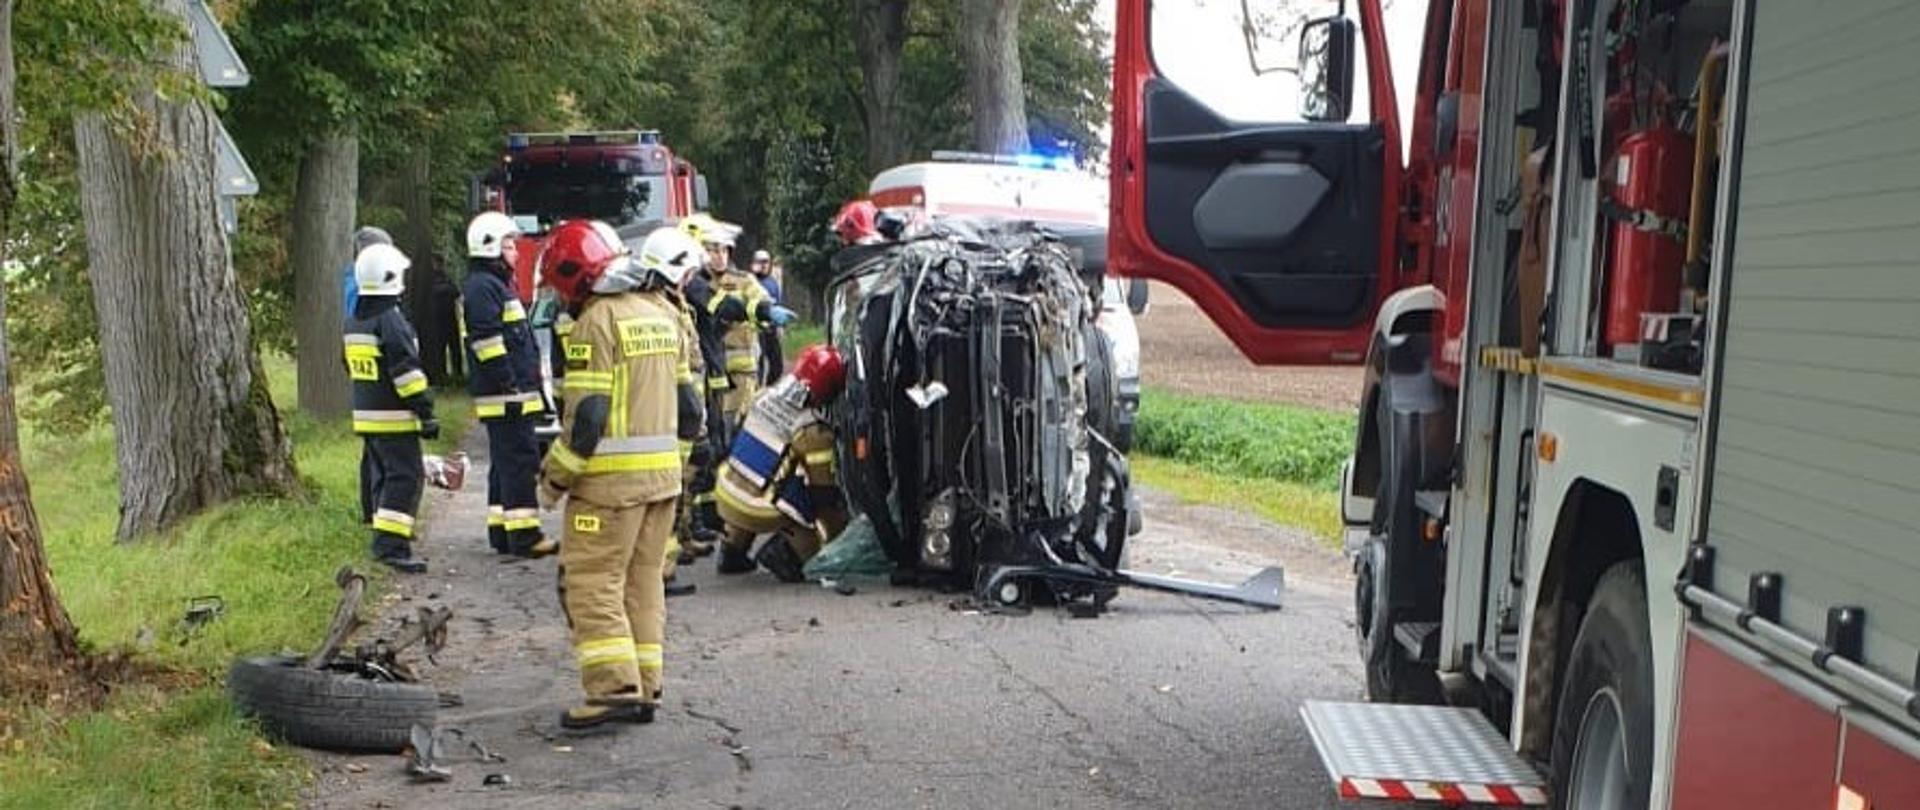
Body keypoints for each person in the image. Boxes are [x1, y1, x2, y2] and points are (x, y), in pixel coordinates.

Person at [536, 219, 696, 729]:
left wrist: (554, 480)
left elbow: (587, 420)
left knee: (592, 581)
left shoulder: (595, 323)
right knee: (643, 582)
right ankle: (645, 686)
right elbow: (692, 410)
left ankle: (611, 689)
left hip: (608, 489)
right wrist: (674, 464)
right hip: (662, 485)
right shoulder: (660, 312)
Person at [714, 344, 851, 579]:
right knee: (800, 498)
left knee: (757, 473)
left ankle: (733, 550)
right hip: (757, 510)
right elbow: (823, 495)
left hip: (725, 490)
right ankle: (785, 554)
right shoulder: (811, 430)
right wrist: (840, 541)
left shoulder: (763, 395)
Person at [464, 212, 556, 559]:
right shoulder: (484, 288)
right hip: (506, 395)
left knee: (505, 462)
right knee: (520, 461)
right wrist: (510, 384)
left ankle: (501, 530)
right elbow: (487, 342)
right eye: (509, 246)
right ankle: (525, 535)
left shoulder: (493, 284)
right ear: (490, 248)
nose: (516, 253)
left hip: (510, 393)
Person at [345, 243, 439, 574]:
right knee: (406, 477)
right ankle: (391, 546)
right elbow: (407, 374)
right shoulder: (391, 321)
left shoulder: (354, 321)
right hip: (394, 418)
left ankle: (381, 534)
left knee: (381, 476)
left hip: (367, 417)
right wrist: (425, 411)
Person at [348, 226, 394, 526]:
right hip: (374, 377)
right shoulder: (360, 284)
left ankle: (372, 510)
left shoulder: (354, 280)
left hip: (364, 373)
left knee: (372, 452)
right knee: (379, 456)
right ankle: (376, 512)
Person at [750, 249, 785, 386]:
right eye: (760, 262)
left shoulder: (773, 283)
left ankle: (770, 388)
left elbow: (778, 304)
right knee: (758, 362)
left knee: (777, 364)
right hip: (756, 328)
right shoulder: (750, 281)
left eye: (766, 262)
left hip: (771, 327)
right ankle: (756, 390)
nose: (764, 265)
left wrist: (780, 326)